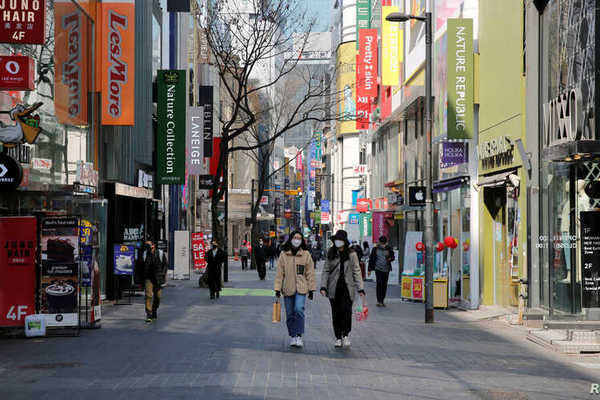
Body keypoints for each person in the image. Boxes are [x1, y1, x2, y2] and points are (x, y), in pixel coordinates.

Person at [320, 230, 365, 348]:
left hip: (347, 288)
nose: (338, 242)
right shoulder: (331, 253)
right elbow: (326, 270)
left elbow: (356, 271)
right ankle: (338, 337)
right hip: (333, 288)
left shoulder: (352, 254)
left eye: (340, 240)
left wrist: (360, 288)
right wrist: (323, 286)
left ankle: (345, 334)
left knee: (346, 311)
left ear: (344, 241)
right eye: (336, 240)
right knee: (336, 313)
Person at [274, 231, 316, 348]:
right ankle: (293, 335)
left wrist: (311, 289)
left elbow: (310, 273)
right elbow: (279, 273)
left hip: (301, 288)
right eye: (295, 238)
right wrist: (277, 289)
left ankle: (299, 335)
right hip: (287, 288)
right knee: (290, 314)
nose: (297, 240)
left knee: (298, 309)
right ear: (291, 239)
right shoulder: (284, 254)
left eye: (299, 238)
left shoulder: (306, 254)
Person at [141, 239, 168, 323]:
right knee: (148, 295)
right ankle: (149, 314)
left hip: (158, 278)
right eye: (146, 245)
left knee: (158, 297)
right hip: (148, 278)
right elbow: (140, 265)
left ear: (153, 245)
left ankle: (154, 310)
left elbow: (165, 265)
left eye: (148, 245)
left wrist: (163, 274)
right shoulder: (144, 254)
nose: (147, 247)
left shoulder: (160, 253)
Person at [368, 235, 395, 307]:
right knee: (379, 283)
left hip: (386, 269)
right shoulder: (375, 249)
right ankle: (379, 300)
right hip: (378, 269)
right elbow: (371, 259)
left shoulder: (389, 249)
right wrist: (369, 269)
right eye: (381, 243)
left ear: (386, 243)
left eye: (384, 243)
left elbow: (393, 257)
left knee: (384, 285)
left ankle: (382, 300)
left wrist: (390, 258)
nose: (383, 244)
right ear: (379, 242)